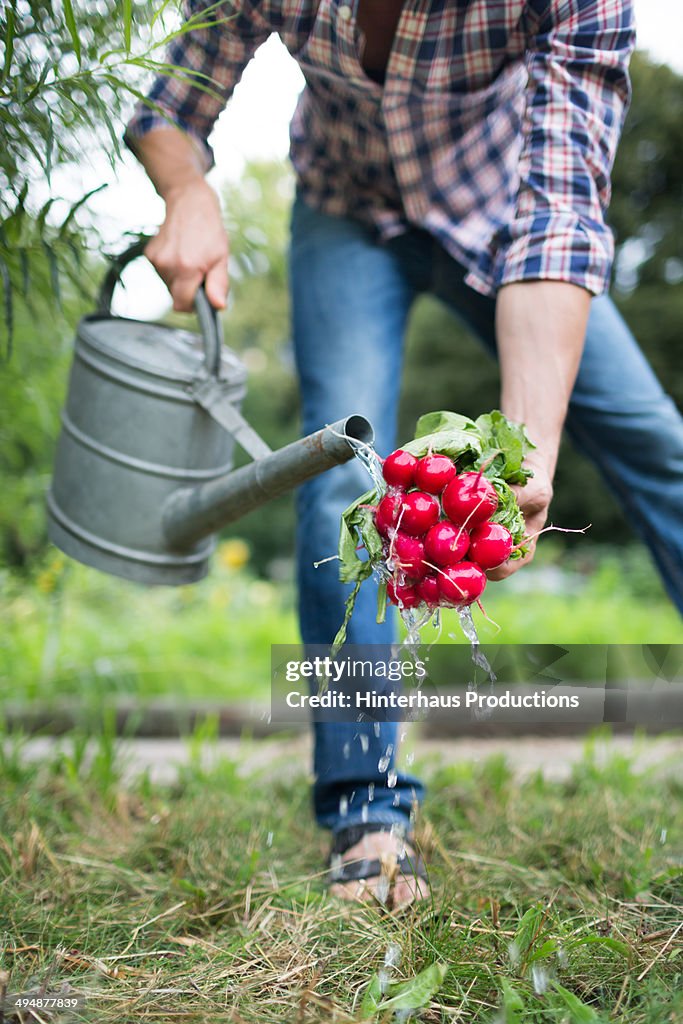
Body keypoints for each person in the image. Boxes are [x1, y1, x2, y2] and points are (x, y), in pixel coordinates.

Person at [124, 0, 683, 909]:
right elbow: (169, 109)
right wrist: (187, 190)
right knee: (333, 477)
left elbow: (560, 218)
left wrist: (526, 449)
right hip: (344, 213)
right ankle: (367, 805)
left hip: (508, 209)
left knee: (658, 448)